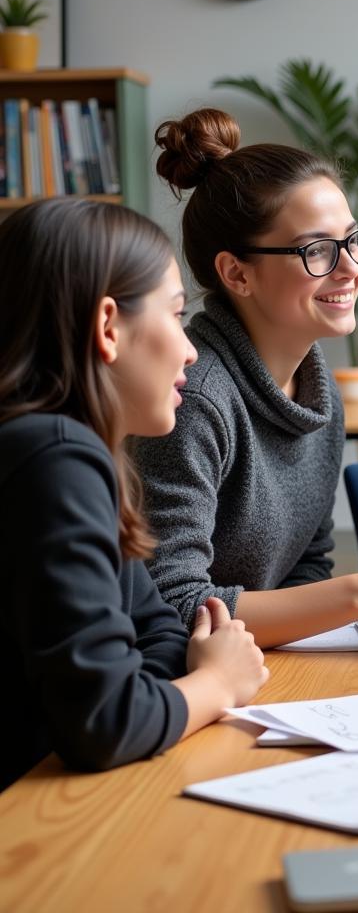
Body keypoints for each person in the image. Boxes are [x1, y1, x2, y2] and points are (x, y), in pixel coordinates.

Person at [133, 109, 358, 649]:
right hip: (177, 684)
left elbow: (306, 566)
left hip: (259, 670)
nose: (351, 268)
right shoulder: (193, 399)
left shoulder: (318, 393)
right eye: (317, 250)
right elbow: (170, 605)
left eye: (352, 240)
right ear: (237, 274)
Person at [0, 198, 268, 791]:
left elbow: (160, 633)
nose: (190, 349)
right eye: (175, 316)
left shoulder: (72, 451)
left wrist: (170, 685)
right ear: (107, 327)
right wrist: (217, 685)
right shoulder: (53, 459)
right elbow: (105, 721)